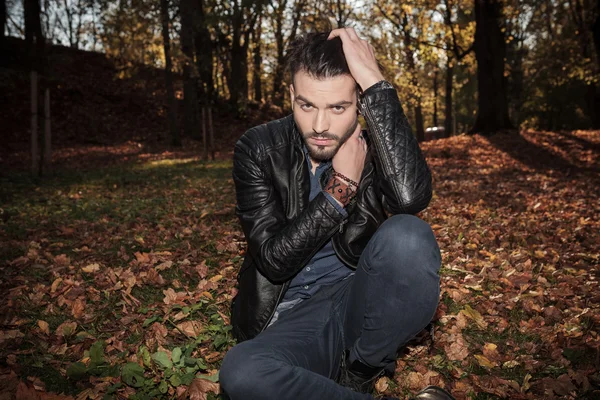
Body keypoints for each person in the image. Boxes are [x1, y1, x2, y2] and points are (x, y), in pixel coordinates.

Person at [219, 28, 454, 400]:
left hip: (356, 302)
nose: (320, 126)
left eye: (338, 108)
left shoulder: (378, 148)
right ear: (292, 96)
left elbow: (411, 199)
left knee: (409, 237)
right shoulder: (259, 148)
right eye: (307, 105)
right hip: (292, 318)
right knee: (242, 372)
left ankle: (360, 369)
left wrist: (377, 83)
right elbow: (273, 261)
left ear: (360, 101)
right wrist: (340, 188)